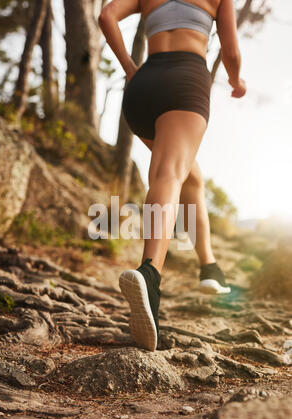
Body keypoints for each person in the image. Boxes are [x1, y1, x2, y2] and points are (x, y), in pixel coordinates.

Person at [98, 0, 246, 351]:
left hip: (143, 87)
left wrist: (130, 68)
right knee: (168, 174)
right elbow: (231, 51)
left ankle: (209, 266)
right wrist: (237, 80)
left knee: (190, 177)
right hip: (185, 80)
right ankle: (150, 273)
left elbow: (106, 15)